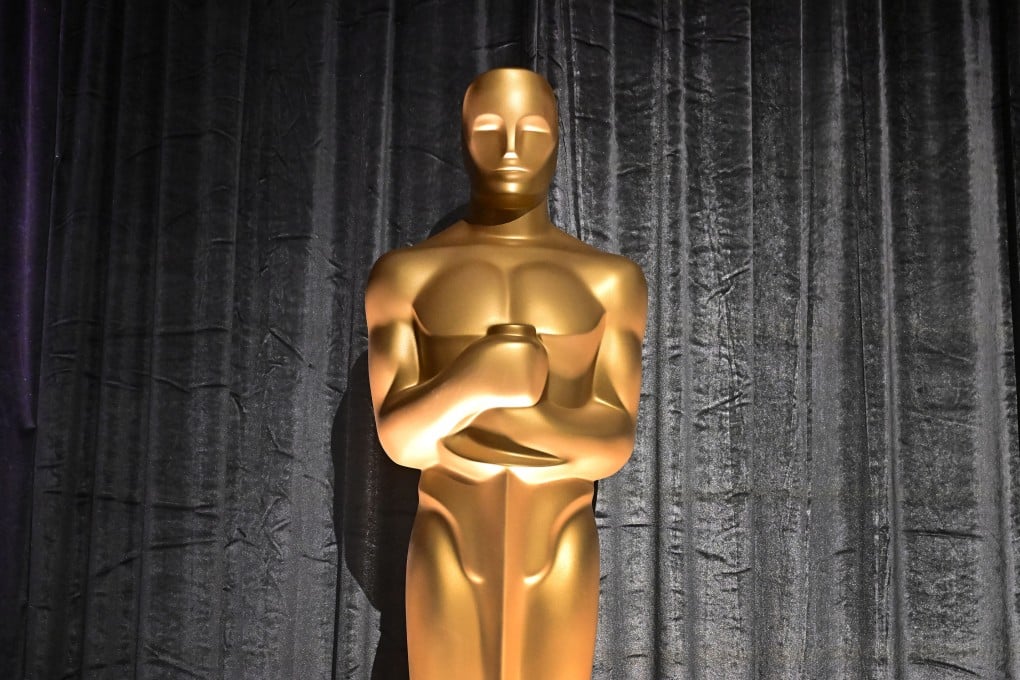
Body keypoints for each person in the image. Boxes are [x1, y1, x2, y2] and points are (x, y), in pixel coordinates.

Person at [365, 67, 647, 680]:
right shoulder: (406, 275)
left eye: (533, 130)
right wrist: (476, 379)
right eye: (490, 129)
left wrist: (509, 413)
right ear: (463, 137)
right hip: (448, 533)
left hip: (560, 539)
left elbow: (612, 443)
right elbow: (400, 440)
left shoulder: (610, 280)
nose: (512, 149)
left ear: (559, 139)